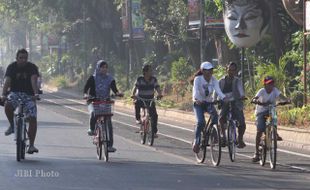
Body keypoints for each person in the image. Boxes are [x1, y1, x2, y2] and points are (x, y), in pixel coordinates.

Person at [1, 48, 40, 154]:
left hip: (29, 95)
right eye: (21, 58)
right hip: (15, 93)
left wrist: (36, 94)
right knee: (8, 105)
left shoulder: (32, 67)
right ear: (16, 58)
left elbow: (34, 80)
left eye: (25, 58)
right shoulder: (12, 67)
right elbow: (7, 81)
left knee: (32, 117)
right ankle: (13, 126)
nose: (23, 60)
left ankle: (31, 145)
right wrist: (3, 94)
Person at [83, 60, 123, 152]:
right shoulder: (92, 78)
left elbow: (114, 89)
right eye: (102, 67)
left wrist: (118, 93)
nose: (104, 69)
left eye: (106, 67)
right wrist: (86, 95)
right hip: (93, 101)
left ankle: (109, 145)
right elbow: (86, 88)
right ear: (98, 68)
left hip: (105, 102)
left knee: (108, 123)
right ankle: (92, 128)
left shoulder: (110, 79)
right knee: (93, 112)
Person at [250, 76, 290, 162]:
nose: (271, 86)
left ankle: (274, 132)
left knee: (273, 117)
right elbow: (255, 98)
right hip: (260, 112)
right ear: (265, 85)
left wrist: (287, 100)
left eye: (272, 84)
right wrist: (256, 101)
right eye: (268, 84)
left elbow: (281, 96)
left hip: (270, 112)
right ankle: (256, 153)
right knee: (259, 131)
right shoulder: (261, 91)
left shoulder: (275, 90)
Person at [191, 61, 227, 153]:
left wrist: (224, 98)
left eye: (211, 70)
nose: (209, 73)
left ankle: (213, 133)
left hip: (208, 103)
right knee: (200, 122)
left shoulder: (214, 79)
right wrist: (196, 99)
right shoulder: (198, 79)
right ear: (202, 71)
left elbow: (218, 91)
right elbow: (195, 91)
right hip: (198, 103)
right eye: (206, 71)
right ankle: (197, 141)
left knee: (215, 115)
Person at [218, 62, 246, 148]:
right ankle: (223, 136)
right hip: (224, 102)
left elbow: (240, 90)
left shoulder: (238, 80)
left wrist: (242, 96)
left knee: (242, 122)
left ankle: (240, 139)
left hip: (235, 102)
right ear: (227, 70)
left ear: (235, 71)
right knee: (221, 117)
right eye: (230, 70)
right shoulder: (221, 81)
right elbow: (216, 91)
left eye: (233, 70)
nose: (231, 72)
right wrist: (216, 99)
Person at [131, 64, 163, 137]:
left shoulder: (153, 79)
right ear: (145, 72)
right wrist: (133, 95)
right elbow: (135, 87)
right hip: (141, 99)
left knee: (154, 115)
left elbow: (157, 87)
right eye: (150, 70)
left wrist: (160, 94)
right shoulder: (140, 79)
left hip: (150, 99)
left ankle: (154, 132)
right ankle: (138, 118)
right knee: (137, 103)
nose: (151, 72)